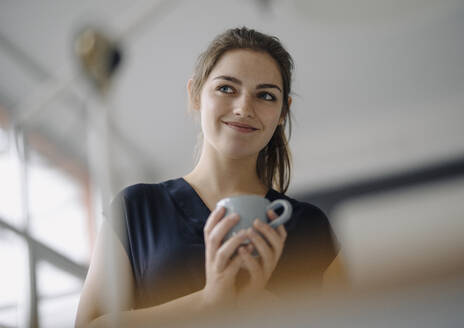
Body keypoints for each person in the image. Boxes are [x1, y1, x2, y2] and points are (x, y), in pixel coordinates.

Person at [75, 26, 343, 328]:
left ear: (283, 112)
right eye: (227, 88)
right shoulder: (135, 209)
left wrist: (258, 303)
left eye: (266, 95)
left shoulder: (312, 227)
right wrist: (208, 300)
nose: (244, 108)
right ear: (195, 95)